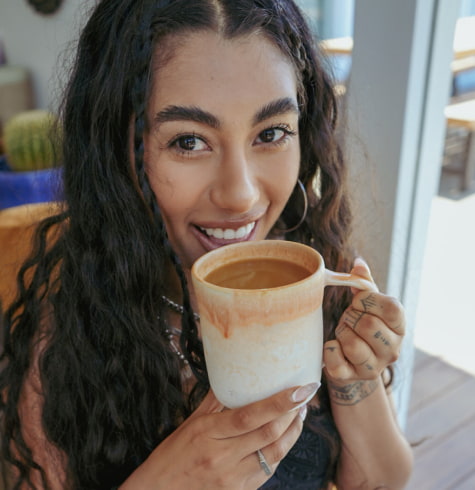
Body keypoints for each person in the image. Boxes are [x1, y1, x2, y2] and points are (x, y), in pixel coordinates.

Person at [0, 0, 414, 488]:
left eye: (272, 132)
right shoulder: (66, 328)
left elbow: (382, 480)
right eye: (189, 141)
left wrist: (354, 377)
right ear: (116, 151)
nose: (240, 195)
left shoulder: (319, 279)